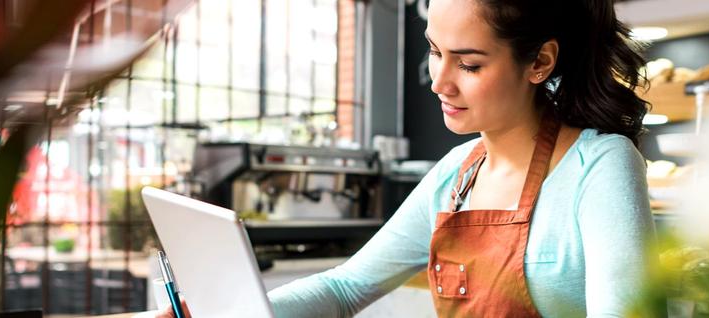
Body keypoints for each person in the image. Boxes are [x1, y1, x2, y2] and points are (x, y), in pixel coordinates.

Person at [160, 0, 654, 316]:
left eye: (469, 63)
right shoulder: (457, 174)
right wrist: (227, 311)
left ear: (539, 62)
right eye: (434, 51)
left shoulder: (601, 165)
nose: (439, 81)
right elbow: (346, 287)